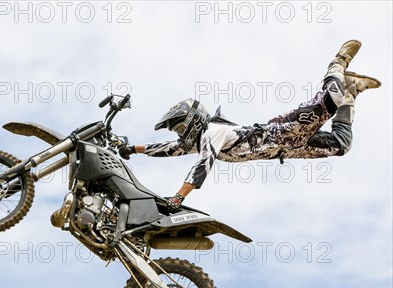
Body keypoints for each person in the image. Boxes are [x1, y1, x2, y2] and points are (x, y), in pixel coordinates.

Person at [119, 40, 381, 212]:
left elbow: (202, 165)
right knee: (341, 145)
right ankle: (352, 91)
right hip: (285, 150)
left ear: (192, 121)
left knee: (329, 100)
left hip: (283, 131)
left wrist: (179, 197)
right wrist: (132, 149)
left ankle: (337, 64)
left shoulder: (212, 133)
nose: (179, 136)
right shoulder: (202, 141)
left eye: (179, 129)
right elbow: (168, 149)